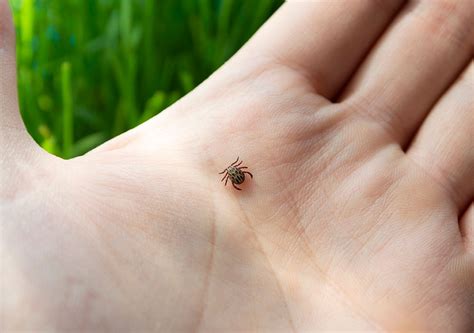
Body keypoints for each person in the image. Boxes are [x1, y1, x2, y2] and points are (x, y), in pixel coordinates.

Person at [1, 0, 472, 331]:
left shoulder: (233, 174)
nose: (235, 176)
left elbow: (239, 177)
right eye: (234, 175)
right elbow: (241, 177)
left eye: (234, 174)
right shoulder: (236, 175)